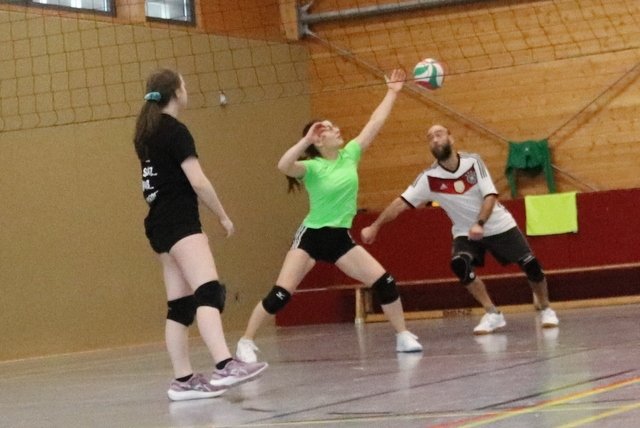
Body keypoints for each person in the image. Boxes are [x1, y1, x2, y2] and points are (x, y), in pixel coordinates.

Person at [235, 69, 423, 363]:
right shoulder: (312, 168)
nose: (337, 130)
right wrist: (305, 140)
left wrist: (392, 92)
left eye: (335, 127)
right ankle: (246, 341)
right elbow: (283, 166)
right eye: (330, 129)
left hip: (339, 239)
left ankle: (403, 335)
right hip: (311, 237)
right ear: (319, 141)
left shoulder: (350, 155)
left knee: (385, 282)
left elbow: (374, 124)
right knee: (281, 294)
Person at [134, 68, 267, 401]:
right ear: (177, 93)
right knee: (208, 292)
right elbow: (198, 181)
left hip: (158, 225)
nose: (187, 89)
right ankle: (225, 365)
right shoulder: (176, 131)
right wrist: (222, 216)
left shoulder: (146, 132)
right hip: (180, 221)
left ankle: (183, 381)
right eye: (185, 84)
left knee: (180, 307)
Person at [361, 124, 559, 334]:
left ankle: (546, 308)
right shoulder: (429, 178)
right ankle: (492, 313)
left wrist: (480, 223)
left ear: (451, 138)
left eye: (439, 134)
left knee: (531, 264)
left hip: (498, 224)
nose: (435, 140)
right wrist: (375, 226)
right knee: (459, 264)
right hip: (465, 231)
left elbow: (490, 196)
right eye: (430, 137)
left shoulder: (473, 162)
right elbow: (400, 203)